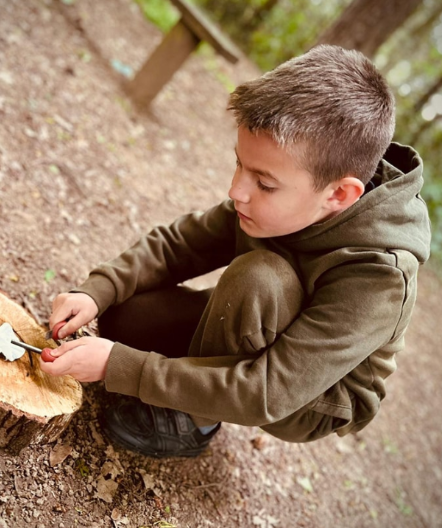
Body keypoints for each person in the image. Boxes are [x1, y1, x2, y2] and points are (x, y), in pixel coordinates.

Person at [40, 45, 431, 458]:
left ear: (339, 194)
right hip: (260, 317)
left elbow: (269, 390)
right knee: (125, 317)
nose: (236, 191)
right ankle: (193, 376)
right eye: (239, 164)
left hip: (306, 395)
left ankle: (193, 420)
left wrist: (122, 368)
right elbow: (182, 245)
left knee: (260, 275)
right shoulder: (283, 197)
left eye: (263, 183)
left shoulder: (380, 273)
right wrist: (97, 290)